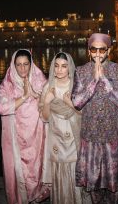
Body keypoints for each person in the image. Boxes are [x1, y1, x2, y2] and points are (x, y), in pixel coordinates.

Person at [72, 33, 118, 204]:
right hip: (91, 136)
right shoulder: (80, 72)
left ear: (108, 50)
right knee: (94, 184)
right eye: (93, 49)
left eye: (102, 49)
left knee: (113, 185)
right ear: (89, 51)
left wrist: (104, 79)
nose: (98, 53)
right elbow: (76, 102)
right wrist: (94, 81)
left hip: (113, 135)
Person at [0, 49, 49, 204]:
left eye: (26, 64)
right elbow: (2, 108)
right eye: (18, 65)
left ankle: (35, 198)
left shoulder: (40, 80)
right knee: (18, 172)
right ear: (13, 65)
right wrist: (24, 96)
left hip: (36, 136)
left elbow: (50, 104)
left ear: (31, 64)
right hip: (15, 138)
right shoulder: (7, 84)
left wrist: (37, 95)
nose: (22, 68)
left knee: (36, 170)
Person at [40, 52, 83, 204]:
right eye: (56, 66)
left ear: (69, 68)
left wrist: (70, 103)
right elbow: (44, 118)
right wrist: (46, 102)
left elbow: (84, 113)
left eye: (63, 66)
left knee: (73, 171)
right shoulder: (48, 87)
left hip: (73, 137)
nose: (59, 70)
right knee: (59, 173)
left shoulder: (77, 85)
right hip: (56, 137)